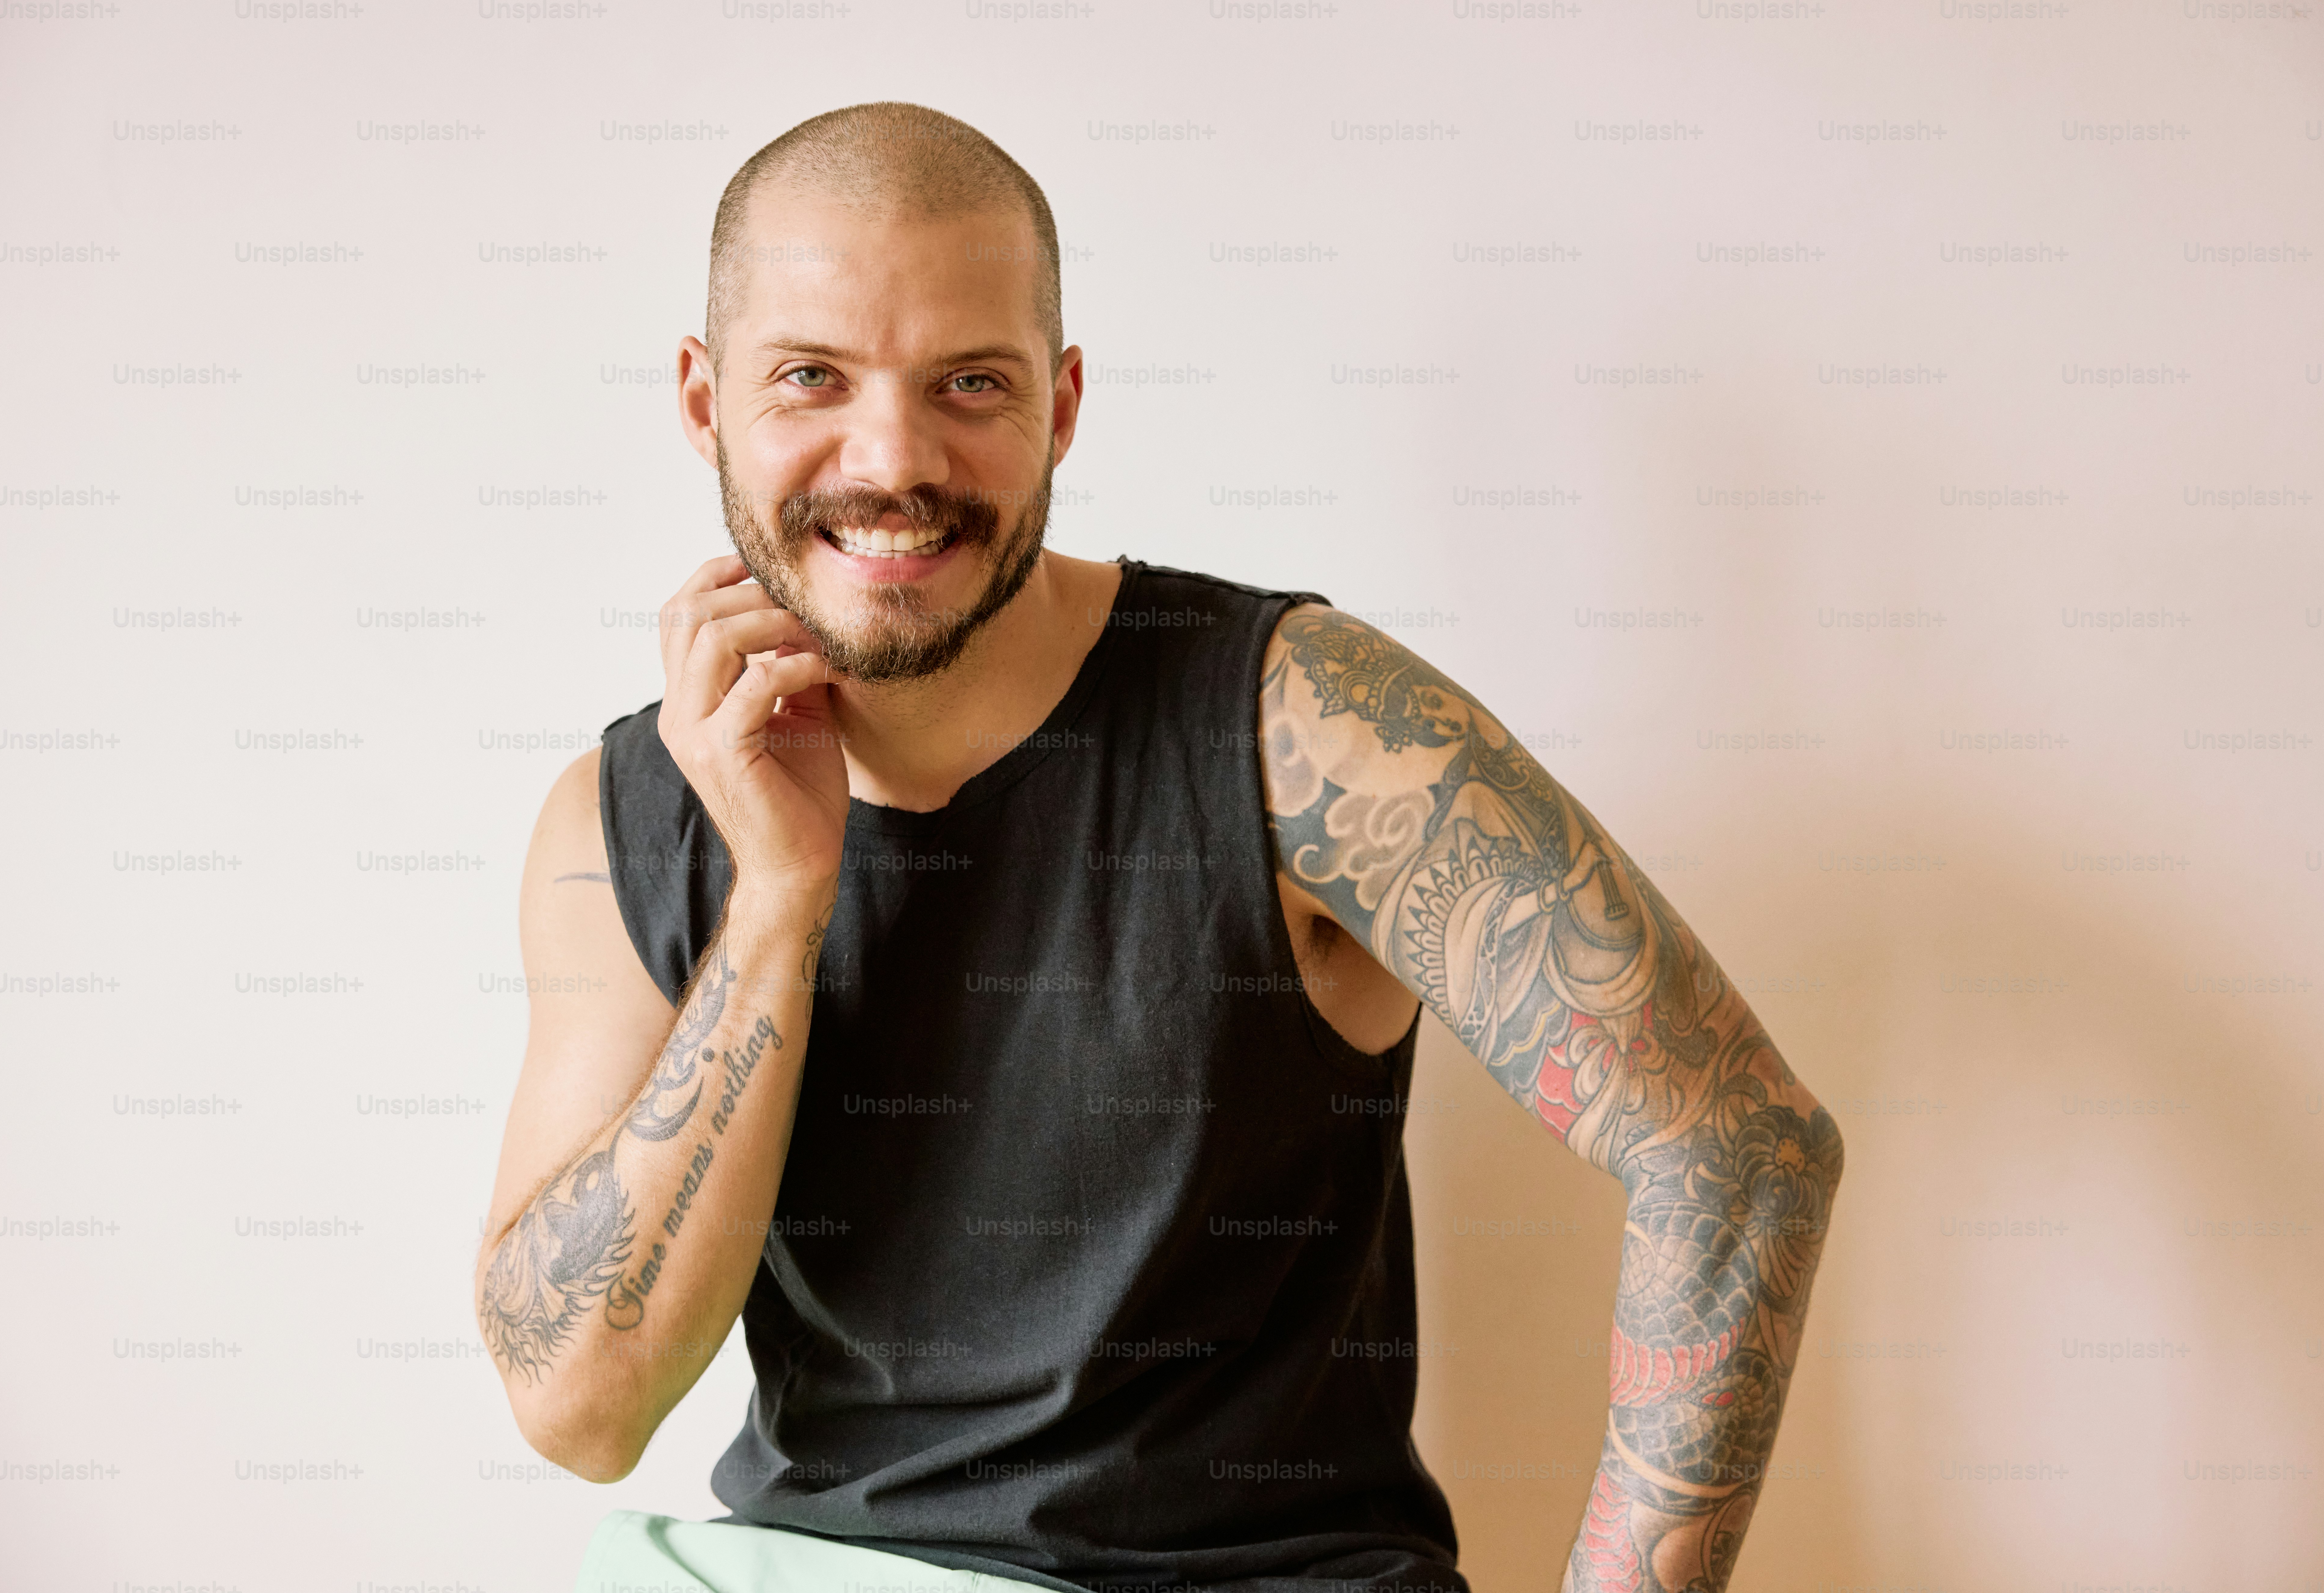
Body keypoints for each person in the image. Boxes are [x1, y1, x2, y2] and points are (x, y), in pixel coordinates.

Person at [473, 101, 1843, 1593]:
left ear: (1060, 406)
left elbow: (1733, 1145)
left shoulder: (1297, 728)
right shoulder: (623, 821)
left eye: (969, 385)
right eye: (811, 376)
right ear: (702, 398)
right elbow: (578, 1409)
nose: (892, 458)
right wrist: (780, 902)